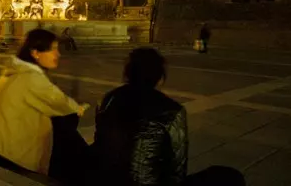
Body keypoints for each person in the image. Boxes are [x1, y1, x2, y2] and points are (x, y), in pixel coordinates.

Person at [92, 47, 245, 186]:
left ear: (128, 73)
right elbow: (177, 168)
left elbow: (100, 146)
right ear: (159, 77)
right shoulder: (172, 110)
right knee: (229, 177)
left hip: (104, 180)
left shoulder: (109, 99)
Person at [0, 29, 91, 183]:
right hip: (6, 153)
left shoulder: (15, 70)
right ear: (35, 53)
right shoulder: (31, 78)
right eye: (53, 49)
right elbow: (63, 105)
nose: (57, 54)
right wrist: (80, 108)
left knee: (58, 122)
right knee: (65, 125)